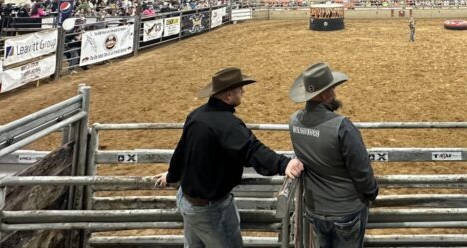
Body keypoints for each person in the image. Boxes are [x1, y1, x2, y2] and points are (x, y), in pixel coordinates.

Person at [154, 68, 304, 248]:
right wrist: (284, 163)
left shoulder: (196, 115)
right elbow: (252, 150)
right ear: (228, 95)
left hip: (187, 200)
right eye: (240, 89)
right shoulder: (228, 124)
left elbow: (181, 151)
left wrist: (171, 175)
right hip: (210, 209)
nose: (243, 91)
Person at [288, 62, 378, 248]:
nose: (335, 93)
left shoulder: (294, 121)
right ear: (323, 94)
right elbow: (361, 170)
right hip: (345, 208)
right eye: (332, 89)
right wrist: (371, 192)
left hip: (315, 208)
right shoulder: (342, 126)